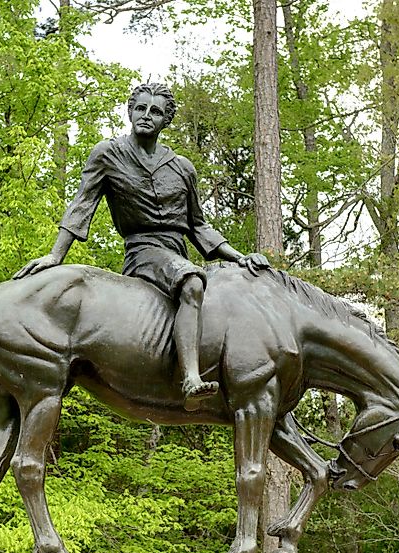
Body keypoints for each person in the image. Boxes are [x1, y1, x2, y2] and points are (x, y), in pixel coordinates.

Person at [15, 83, 270, 411]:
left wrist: (238, 256)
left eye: (156, 112)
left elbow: (199, 225)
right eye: (141, 109)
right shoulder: (108, 154)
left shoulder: (182, 167)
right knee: (192, 282)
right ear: (130, 111)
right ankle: (190, 378)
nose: (147, 116)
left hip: (176, 254)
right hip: (143, 251)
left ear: (166, 120)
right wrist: (55, 256)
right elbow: (82, 204)